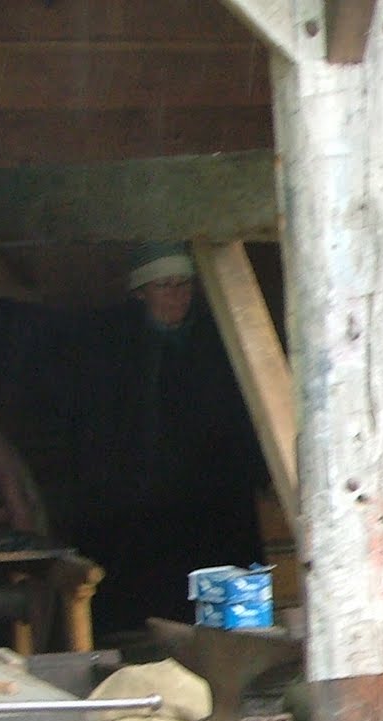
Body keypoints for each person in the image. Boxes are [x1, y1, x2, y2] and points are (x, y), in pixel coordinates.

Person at [59, 242, 269, 636]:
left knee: (217, 583)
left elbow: (240, 413)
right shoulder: (111, 345)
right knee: (147, 587)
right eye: (165, 286)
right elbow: (98, 424)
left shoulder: (214, 337)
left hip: (212, 490)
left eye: (184, 285)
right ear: (140, 293)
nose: (177, 296)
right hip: (141, 493)